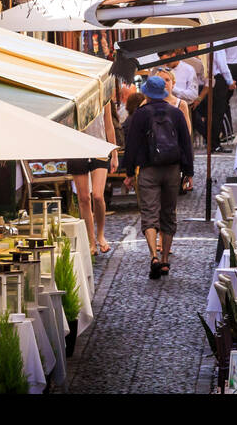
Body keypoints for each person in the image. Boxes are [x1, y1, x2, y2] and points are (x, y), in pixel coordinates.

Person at [122, 75, 193, 280]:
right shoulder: (176, 113)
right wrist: (188, 173)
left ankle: (153, 255)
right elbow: (186, 144)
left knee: (149, 213)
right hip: (172, 169)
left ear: (147, 93)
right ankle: (164, 261)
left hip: (148, 170)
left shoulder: (141, 115)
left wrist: (128, 173)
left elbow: (132, 144)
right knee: (168, 213)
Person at [70, 100, 118, 254]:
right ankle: (91, 242)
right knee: (84, 198)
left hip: (99, 149)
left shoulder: (104, 99)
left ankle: (101, 235)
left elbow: (109, 126)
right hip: (77, 150)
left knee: (98, 195)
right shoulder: (75, 97)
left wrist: (114, 153)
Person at [153, 66, 194, 191]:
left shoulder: (180, 104)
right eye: (161, 80)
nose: (164, 83)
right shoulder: (147, 103)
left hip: (173, 155)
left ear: (173, 83)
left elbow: (187, 133)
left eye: (167, 80)